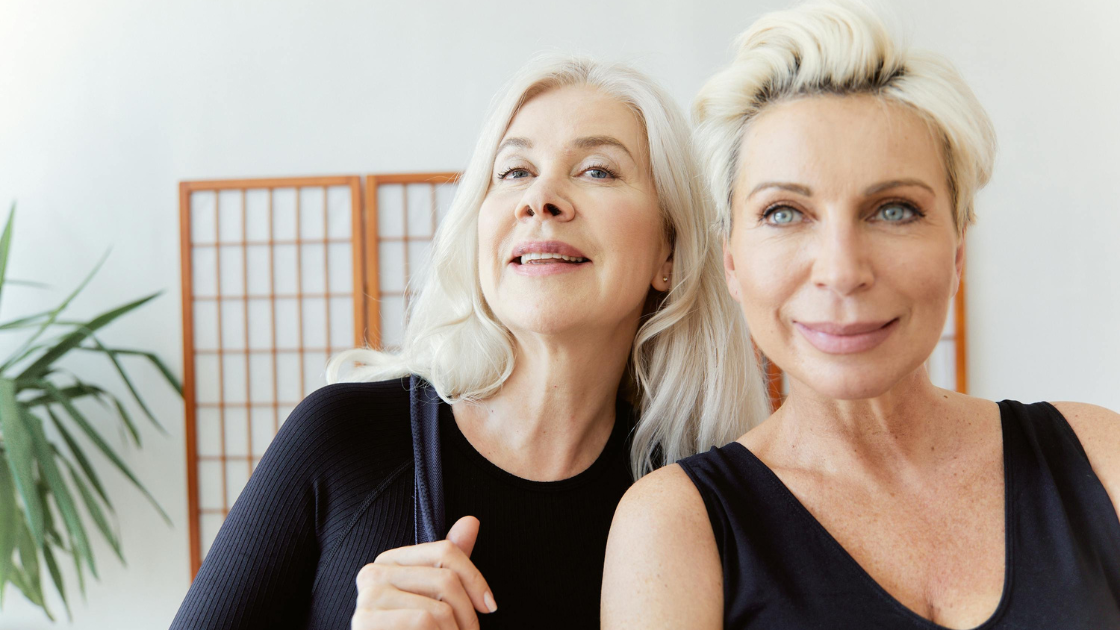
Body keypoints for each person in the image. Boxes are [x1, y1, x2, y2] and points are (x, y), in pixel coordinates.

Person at [169, 56, 769, 630]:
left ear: (669, 251)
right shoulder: (343, 438)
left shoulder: (699, 510)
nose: (541, 198)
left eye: (597, 170)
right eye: (514, 172)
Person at [602, 2, 1120, 628]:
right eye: (784, 212)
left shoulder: (1099, 456)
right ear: (731, 261)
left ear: (957, 250)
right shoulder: (676, 527)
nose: (842, 270)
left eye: (895, 209)